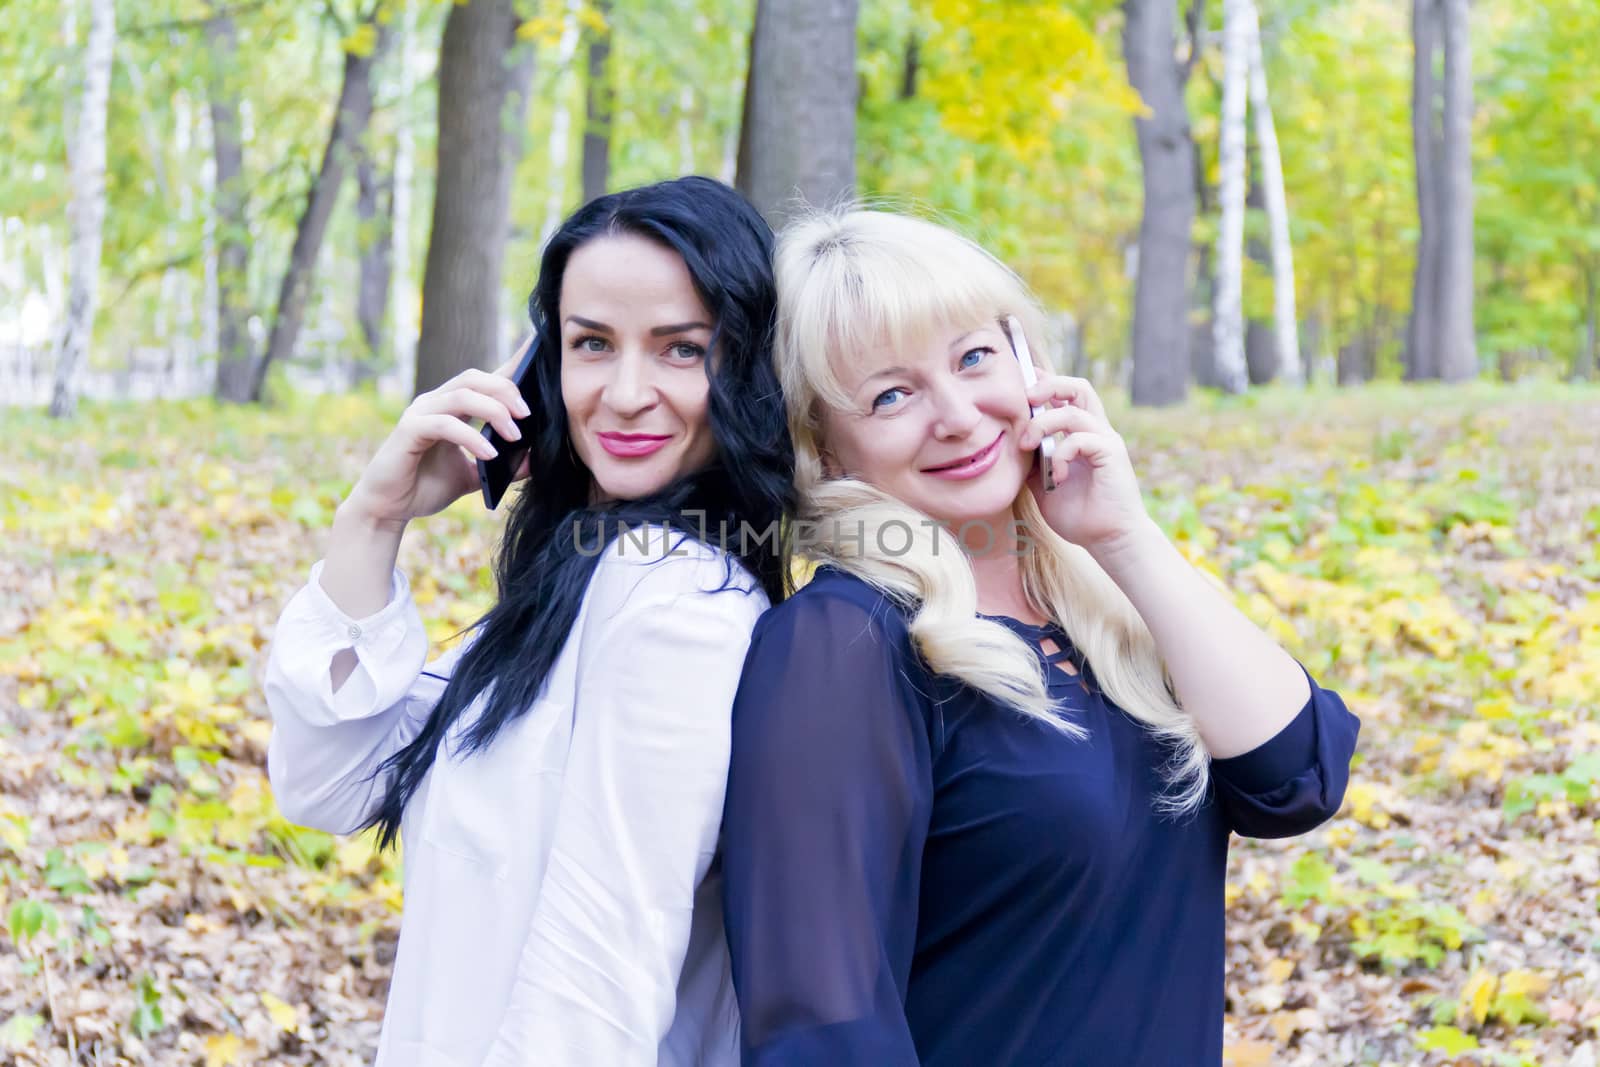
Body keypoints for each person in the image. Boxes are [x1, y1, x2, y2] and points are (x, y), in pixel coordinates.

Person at [719, 208, 1359, 1066]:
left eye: (973, 356)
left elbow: (1297, 776)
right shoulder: (844, 646)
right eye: (890, 395)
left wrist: (1124, 537)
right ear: (826, 450)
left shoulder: (1100, 606)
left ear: (1028, 362)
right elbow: (822, 1026)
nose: (955, 413)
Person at [263, 176, 793, 1066]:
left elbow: (600, 970)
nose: (625, 393)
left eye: (680, 350)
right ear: (539, 369)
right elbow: (330, 782)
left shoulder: (672, 598)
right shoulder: (582, 579)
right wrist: (373, 519)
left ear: (747, 367)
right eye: (592, 343)